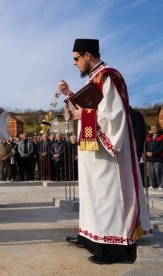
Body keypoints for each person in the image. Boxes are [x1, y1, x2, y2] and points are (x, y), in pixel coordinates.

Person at [60, 38, 151, 264]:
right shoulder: (95, 79)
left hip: (108, 153)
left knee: (108, 196)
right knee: (93, 196)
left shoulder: (109, 76)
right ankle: (90, 237)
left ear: (87, 55)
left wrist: (85, 115)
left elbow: (115, 116)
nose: (75, 64)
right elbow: (84, 110)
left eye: (76, 59)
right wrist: (70, 94)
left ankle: (114, 249)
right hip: (93, 151)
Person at [129, 106, 147, 187]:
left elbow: (140, 134)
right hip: (128, 146)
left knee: (137, 167)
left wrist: (138, 151)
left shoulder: (134, 114)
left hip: (134, 146)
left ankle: (140, 184)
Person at [145, 125, 163, 189]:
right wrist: (146, 152)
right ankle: (152, 185)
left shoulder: (161, 136)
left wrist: (153, 153)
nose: (153, 129)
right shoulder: (148, 137)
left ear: (158, 129)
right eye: (152, 128)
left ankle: (161, 185)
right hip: (149, 158)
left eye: (155, 128)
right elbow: (145, 146)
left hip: (158, 157)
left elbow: (161, 148)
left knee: (158, 172)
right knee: (150, 172)